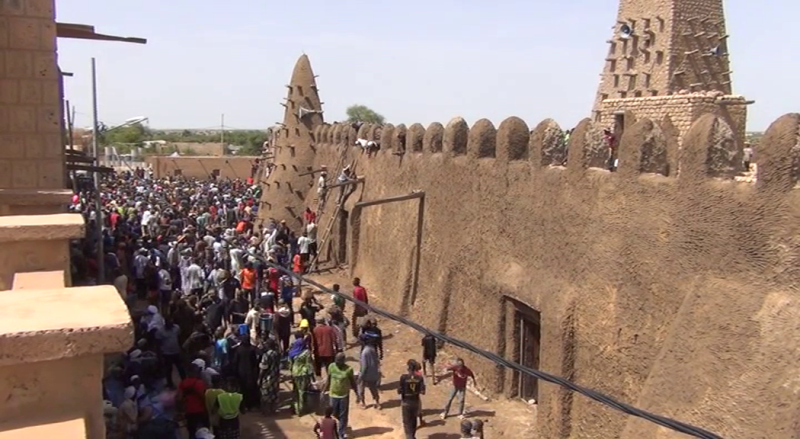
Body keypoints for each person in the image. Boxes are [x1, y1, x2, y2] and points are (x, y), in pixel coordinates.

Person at [324, 352, 360, 439]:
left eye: (339, 361)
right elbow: (328, 379)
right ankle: (339, 427)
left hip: (344, 395)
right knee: (334, 413)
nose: (337, 363)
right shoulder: (331, 367)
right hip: (333, 394)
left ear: (343, 361)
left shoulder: (348, 369)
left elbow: (352, 382)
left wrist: (357, 394)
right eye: (336, 361)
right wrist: (323, 391)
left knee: (343, 414)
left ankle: (342, 432)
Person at [178, 362, 209, 437]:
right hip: (201, 411)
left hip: (189, 412)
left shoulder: (183, 383)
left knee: (192, 432)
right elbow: (204, 397)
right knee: (204, 433)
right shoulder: (199, 383)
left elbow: (179, 398)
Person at [398, 359, 426, 439]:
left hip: (406, 402)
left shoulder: (403, 378)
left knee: (407, 422)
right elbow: (423, 391)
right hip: (415, 402)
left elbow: (399, 391)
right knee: (413, 421)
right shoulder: (419, 378)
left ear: (408, 368)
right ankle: (412, 436)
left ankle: (409, 437)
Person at [358, 334, 381, 410]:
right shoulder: (372, 349)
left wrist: (361, 375)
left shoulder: (364, 352)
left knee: (361, 387)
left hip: (366, 373)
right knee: (373, 388)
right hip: (373, 372)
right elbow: (377, 361)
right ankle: (377, 402)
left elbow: (364, 366)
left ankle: (362, 403)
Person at [258, 338, 281, 415]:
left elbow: (263, 368)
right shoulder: (277, 353)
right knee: (274, 394)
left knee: (265, 394)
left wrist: (259, 378)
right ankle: (273, 410)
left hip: (267, 377)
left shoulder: (266, 355)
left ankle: (266, 411)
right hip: (275, 377)